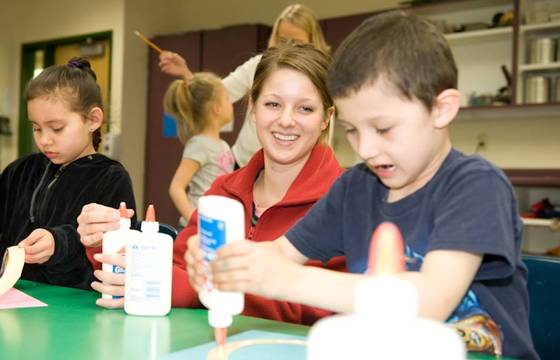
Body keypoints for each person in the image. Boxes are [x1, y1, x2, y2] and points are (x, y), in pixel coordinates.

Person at [186, 11, 539, 359]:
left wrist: (286, 281)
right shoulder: (356, 189)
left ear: (442, 109)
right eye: (353, 130)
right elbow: (280, 252)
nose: (366, 150)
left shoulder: (475, 186)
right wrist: (225, 262)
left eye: (383, 129)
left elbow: (430, 300)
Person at [80, 44, 346, 325]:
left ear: (327, 118)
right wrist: (110, 242)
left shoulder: (345, 199)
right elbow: (174, 269)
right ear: (252, 107)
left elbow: (325, 310)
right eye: (273, 104)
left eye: (305, 108)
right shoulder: (225, 190)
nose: (286, 120)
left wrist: (201, 285)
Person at [0, 57, 136, 290]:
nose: (44, 140)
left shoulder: (110, 178)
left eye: (57, 128)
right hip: (5, 295)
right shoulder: (24, 169)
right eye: (36, 128)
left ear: (93, 120)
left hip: (70, 309)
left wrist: (59, 246)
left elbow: (114, 257)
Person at [158, 4, 330, 167]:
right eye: (272, 104)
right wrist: (186, 73)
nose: (288, 47)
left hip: (296, 167)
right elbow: (216, 93)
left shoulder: (321, 76)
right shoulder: (259, 65)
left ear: (311, 41)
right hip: (245, 163)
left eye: (297, 42)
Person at [163, 73, 235, 227]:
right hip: (198, 228)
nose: (231, 103)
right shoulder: (199, 144)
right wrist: (194, 220)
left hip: (217, 225)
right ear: (217, 109)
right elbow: (176, 187)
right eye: (227, 99)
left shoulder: (223, 146)